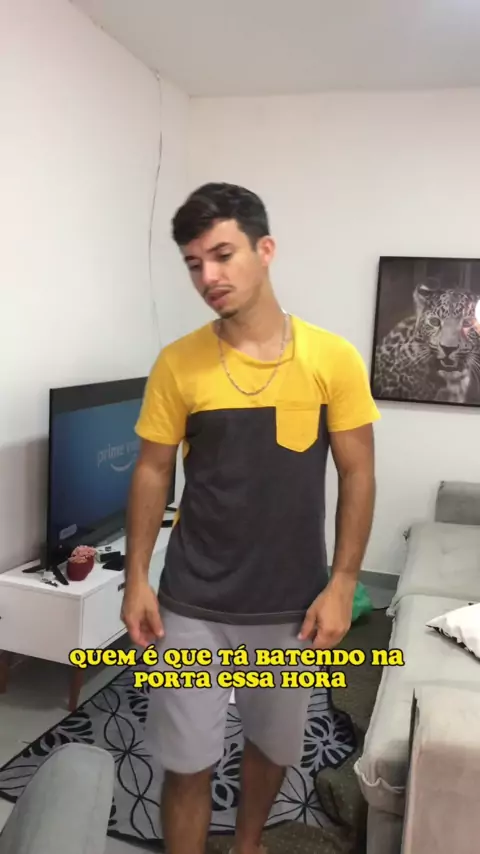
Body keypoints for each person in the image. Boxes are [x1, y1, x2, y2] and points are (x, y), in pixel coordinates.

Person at [121, 182, 380, 854]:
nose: (208, 276)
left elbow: (358, 471)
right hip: (192, 602)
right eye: (193, 263)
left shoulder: (331, 358)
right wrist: (136, 577)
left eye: (222, 254)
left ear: (265, 250)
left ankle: (246, 845)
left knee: (272, 744)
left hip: (291, 605)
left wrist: (343, 582)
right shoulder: (178, 363)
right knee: (186, 760)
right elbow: (152, 470)